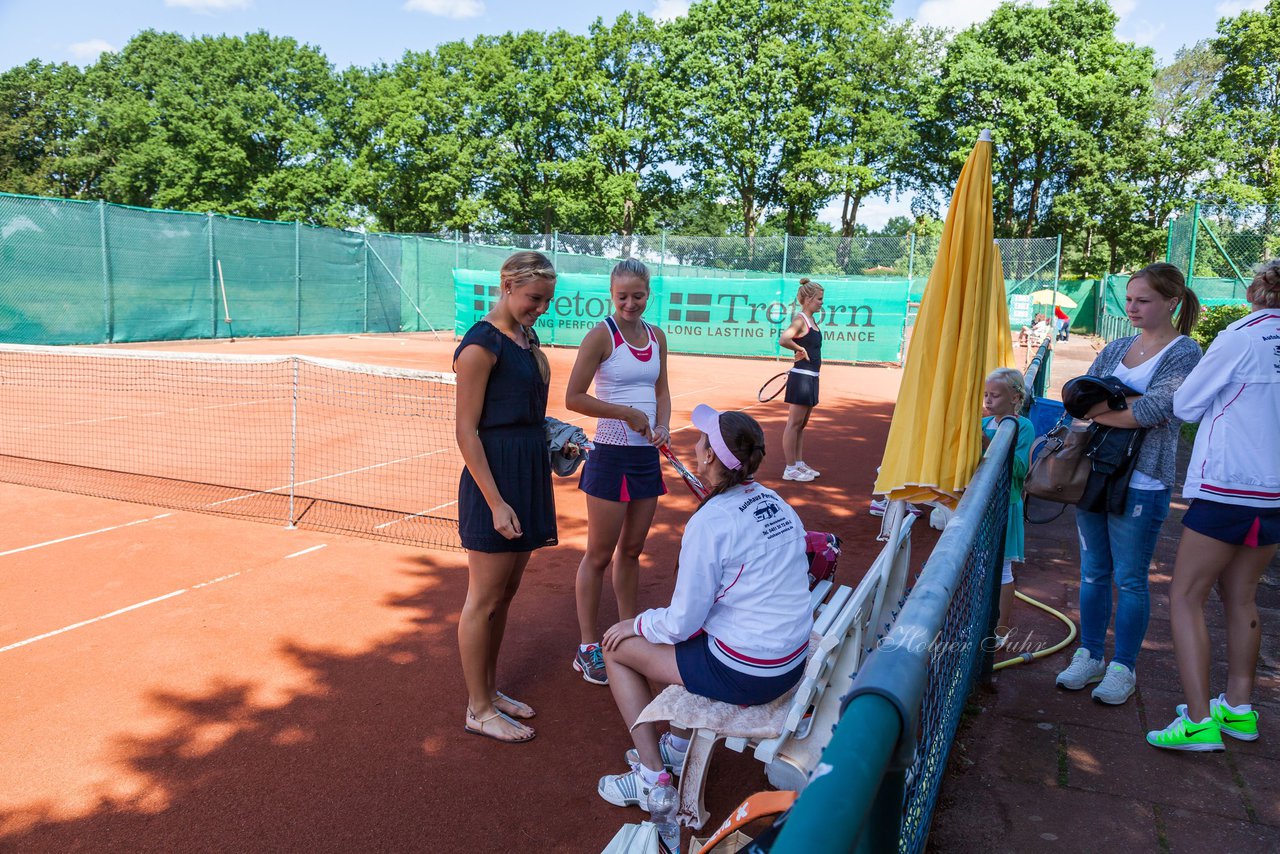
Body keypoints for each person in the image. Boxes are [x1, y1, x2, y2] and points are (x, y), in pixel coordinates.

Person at [595, 405, 813, 808]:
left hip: (751, 671)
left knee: (615, 649)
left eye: (701, 439)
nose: (695, 444)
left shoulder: (710, 523)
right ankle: (677, 749)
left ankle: (650, 777)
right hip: (789, 659)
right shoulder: (774, 501)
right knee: (689, 639)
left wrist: (636, 624)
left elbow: (680, 624)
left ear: (710, 455)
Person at [1146, 260, 1280, 751]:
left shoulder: (1240, 335)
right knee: (1242, 596)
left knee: (1185, 597)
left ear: (1258, 288)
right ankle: (1239, 711)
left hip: (1229, 485)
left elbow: (1185, 405)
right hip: (1274, 493)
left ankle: (1199, 721)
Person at [1055, 262, 1202, 705]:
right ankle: (1090, 655)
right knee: (1094, 572)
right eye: (1130, 299)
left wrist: (1109, 402)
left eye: (1144, 301)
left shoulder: (1184, 352)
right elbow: (1077, 397)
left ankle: (1123, 667)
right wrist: (1121, 404)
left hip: (1143, 482)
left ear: (1171, 302)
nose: (1133, 307)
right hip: (1095, 472)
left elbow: (1157, 410)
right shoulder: (1117, 345)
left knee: (1132, 578)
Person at [453, 250, 559, 744]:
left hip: (527, 472)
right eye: (534, 299)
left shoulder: (525, 337)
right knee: (484, 599)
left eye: (545, 302)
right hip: (493, 479)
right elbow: (466, 432)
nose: (539, 308)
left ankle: (490, 691)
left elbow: (529, 411)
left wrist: (558, 438)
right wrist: (496, 502)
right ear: (508, 286)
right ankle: (477, 709)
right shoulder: (481, 345)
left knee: (505, 596)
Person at [564, 259, 672, 686]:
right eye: (623, 296)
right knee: (598, 554)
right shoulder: (599, 336)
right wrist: (622, 412)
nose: (631, 303)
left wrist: (663, 425)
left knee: (631, 551)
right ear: (612, 294)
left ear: (648, 294)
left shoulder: (657, 336)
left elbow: (661, 389)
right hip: (610, 453)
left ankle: (629, 633)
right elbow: (574, 397)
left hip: (646, 455)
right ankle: (588, 645)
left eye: (638, 295)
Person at [981, 368, 1036, 647]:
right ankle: (979, 623)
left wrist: (989, 445)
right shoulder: (984, 423)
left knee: (1002, 571)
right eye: (986, 394)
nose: (988, 400)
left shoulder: (1022, 426)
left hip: (1005, 506)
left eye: (995, 395)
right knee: (979, 568)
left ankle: (999, 631)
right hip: (982, 505)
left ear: (1015, 397)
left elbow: (1019, 469)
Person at [778, 278, 825, 482]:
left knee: (802, 424)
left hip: (812, 377)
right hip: (801, 378)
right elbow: (784, 339)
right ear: (807, 299)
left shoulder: (813, 320)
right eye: (819, 299)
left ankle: (798, 463)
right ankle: (789, 468)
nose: (821, 302)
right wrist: (799, 349)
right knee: (794, 424)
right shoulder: (800, 320)